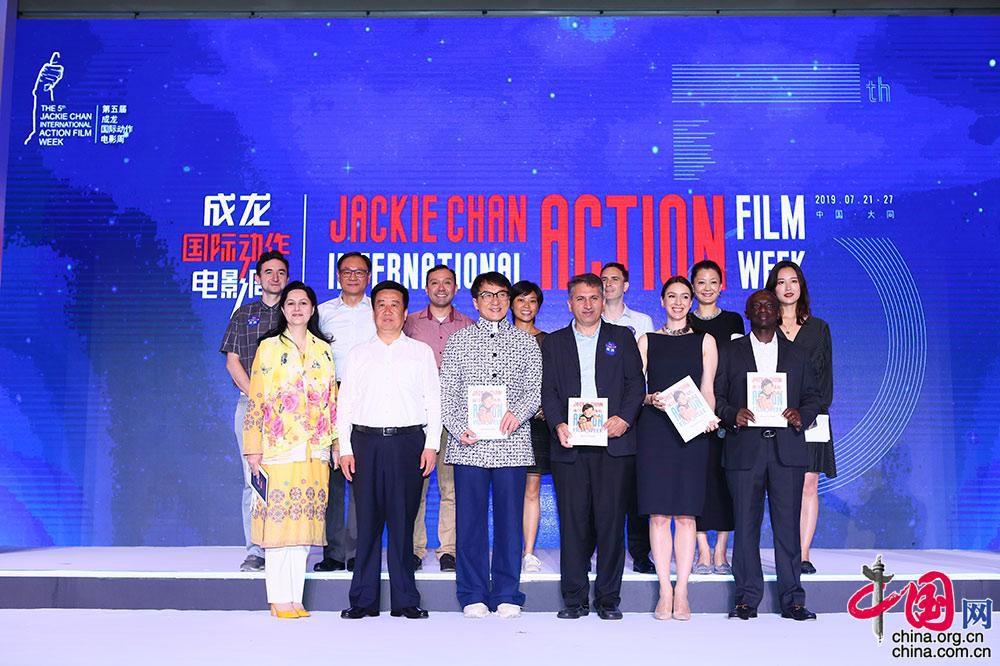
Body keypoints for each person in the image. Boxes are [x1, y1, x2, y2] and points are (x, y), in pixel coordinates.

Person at [541, 273, 645, 620]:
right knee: (573, 524)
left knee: (611, 524)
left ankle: (608, 600)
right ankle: (574, 599)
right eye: (580, 299)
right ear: (569, 303)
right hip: (570, 445)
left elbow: (636, 385)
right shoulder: (554, 342)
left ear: (603, 300)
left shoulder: (622, 337)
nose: (587, 305)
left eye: (594, 298)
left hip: (613, 444)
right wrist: (558, 423)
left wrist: (624, 419)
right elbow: (548, 391)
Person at [440, 272, 542, 619]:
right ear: (475, 301)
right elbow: (447, 394)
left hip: (511, 443)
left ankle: (507, 592)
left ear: (509, 300)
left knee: (509, 523)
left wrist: (519, 413)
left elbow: (534, 390)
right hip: (469, 444)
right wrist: (459, 428)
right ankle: (472, 593)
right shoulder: (459, 341)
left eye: (501, 295)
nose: (495, 301)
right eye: (487, 295)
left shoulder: (526, 343)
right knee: (470, 523)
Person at [714, 290, 821, 621]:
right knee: (745, 527)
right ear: (747, 313)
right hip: (744, 449)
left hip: (787, 450)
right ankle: (746, 598)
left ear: (778, 312)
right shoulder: (729, 352)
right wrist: (732, 414)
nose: (763, 309)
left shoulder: (798, 354)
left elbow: (814, 397)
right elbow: (716, 397)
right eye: (757, 305)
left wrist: (802, 414)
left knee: (787, 528)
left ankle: (793, 600)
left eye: (769, 305)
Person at [338, 281, 441, 620]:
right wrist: (345, 448)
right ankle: (362, 600)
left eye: (394, 304)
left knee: (402, 524)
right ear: (372, 311)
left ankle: (405, 600)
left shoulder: (421, 352)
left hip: (407, 443)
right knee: (366, 524)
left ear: (405, 312)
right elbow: (345, 403)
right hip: (364, 444)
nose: (387, 311)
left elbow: (433, 401)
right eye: (381, 304)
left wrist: (431, 445)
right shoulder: (358, 354)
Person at [242, 281, 338, 619]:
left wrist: (335, 444)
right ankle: (278, 598)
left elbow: (332, 401)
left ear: (312, 310)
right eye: (291, 303)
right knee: (279, 525)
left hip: (315, 449)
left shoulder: (323, 350)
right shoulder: (268, 347)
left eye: (303, 303)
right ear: (283, 310)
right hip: (278, 447)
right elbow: (256, 398)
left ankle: (295, 598)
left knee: (303, 527)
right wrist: (253, 448)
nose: (297, 309)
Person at [636, 276, 719, 621]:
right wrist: (649, 399)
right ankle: (664, 590)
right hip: (655, 431)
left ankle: (682, 590)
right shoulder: (647, 340)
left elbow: (708, 388)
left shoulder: (705, 341)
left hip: (691, 432)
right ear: (662, 301)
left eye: (685, 297)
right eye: (672, 296)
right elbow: (633, 389)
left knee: (686, 515)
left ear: (691, 301)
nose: (678, 302)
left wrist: (709, 417)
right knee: (658, 514)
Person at [220, 250, 289, 572]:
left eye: (281, 272)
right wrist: (258, 397)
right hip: (251, 405)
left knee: (288, 477)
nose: (275, 278)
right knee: (254, 479)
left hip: (292, 410)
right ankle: (256, 550)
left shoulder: (295, 312)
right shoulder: (244, 314)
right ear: (258, 278)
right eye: (269, 272)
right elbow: (232, 362)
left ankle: (284, 544)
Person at [766, 260, 836, 575]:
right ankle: (785, 551)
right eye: (781, 282)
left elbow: (825, 380)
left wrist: (810, 412)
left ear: (801, 286)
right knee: (782, 488)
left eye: (793, 281)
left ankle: (802, 554)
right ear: (773, 288)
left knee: (809, 484)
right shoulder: (765, 327)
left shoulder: (819, 328)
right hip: (774, 418)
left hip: (812, 417)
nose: (788, 287)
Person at [404, 264, 475, 573]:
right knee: (415, 488)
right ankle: (414, 549)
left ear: (456, 288)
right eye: (435, 282)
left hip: (455, 418)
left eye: (447, 282)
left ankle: (449, 550)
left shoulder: (470, 325)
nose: (441, 288)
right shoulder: (409, 323)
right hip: (417, 417)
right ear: (426, 288)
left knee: (451, 489)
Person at [314, 252, 374, 572]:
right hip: (330, 397)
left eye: (359, 272)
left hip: (368, 397)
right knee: (333, 478)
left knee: (362, 478)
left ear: (368, 277)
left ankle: (357, 551)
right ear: (338, 276)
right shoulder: (323, 312)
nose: (353, 277)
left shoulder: (377, 311)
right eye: (347, 271)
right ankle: (334, 553)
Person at [686, 259, 744, 576]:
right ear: (692, 287)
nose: (707, 288)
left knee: (725, 481)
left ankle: (721, 549)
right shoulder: (685, 319)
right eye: (701, 282)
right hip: (692, 411)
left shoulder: (734, 320)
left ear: (722, 286)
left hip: (726, 409)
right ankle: (703, 551)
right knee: (696, 481)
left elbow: (738, 364)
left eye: (713, 282)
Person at [600, 262, 655, 574]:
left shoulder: (642, 322)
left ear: (626, 285)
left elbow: (646, 370)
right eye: (604, 279)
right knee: (600, 487)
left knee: (635, 486)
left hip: (635, 410)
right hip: (596, 413)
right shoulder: (588, 316)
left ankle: (640, 552)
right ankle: (597, 550)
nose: (608, 284)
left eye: (615, 279)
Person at [510, 280, 551, 574]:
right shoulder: (499, 339)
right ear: (510, 304)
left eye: (532, 301)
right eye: (521, 300)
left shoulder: (549, 341)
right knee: (506, 488)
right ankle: (508, 549)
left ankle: (528, 552)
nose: (527, 306)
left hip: (537, 426)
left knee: (532, 488)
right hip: (502, 426)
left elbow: (556, 382)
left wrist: (548, 407)